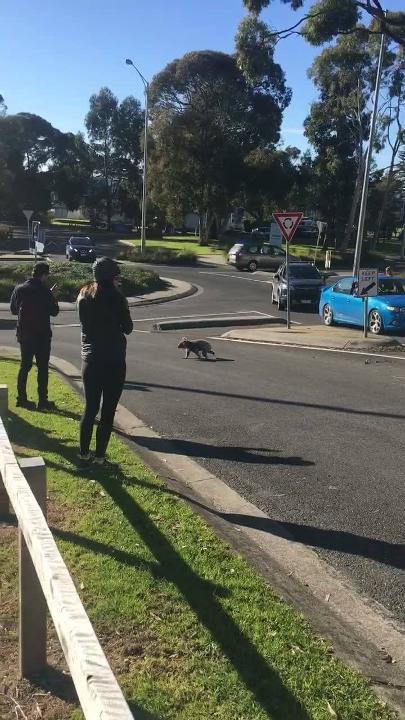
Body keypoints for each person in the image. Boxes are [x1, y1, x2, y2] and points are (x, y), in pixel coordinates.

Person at [77, 257, 133, 469]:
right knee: (108, 411)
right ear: (111, 276)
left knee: (90, 408)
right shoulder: (117, 298)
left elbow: (87, 325)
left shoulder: (84, 294)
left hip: (90, 359)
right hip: (114, 360)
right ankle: (100, 457)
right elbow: (128, 328)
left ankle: (83, 456)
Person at [10, 262, 59, 410]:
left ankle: (22, 399)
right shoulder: (45, 291)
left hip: (25, 334)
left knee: (24, 366)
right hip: (42, 335)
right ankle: (42, 400)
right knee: (43, 368)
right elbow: (54, 311)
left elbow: (13, 310)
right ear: (44, 275)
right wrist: (53, 296)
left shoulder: (19, 289)